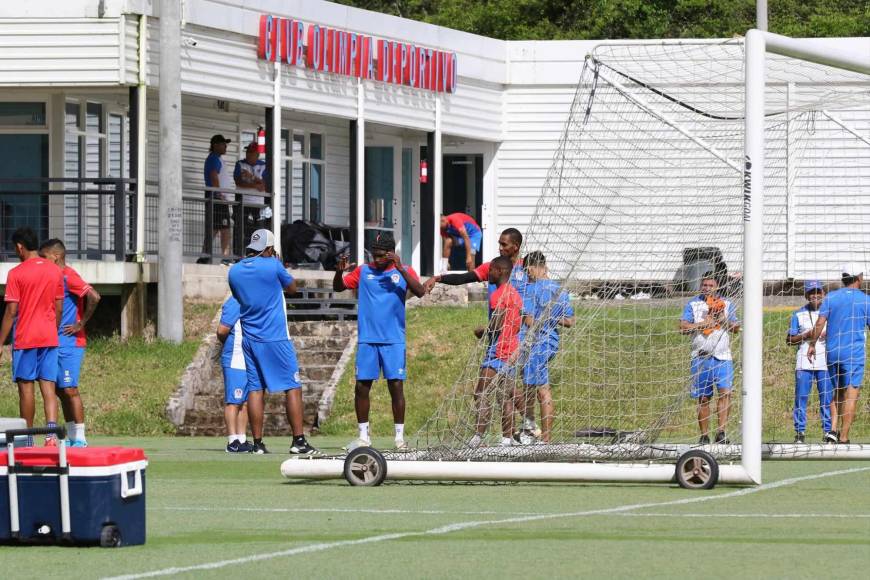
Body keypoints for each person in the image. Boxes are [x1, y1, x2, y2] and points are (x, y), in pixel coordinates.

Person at [227, 229, 317, 455]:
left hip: (250, 338)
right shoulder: (273, 264)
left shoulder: (234, 271)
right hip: (275, 337)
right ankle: (298, 441)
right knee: (293, 387)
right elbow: (293, 288)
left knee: (256, 390)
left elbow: (239, 297)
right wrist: (277, 264)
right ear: (268, 249)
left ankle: (257, 444)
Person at [334, 234, 425, 450]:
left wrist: (401, 268)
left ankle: (399, 439)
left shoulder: (403, 271)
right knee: (361, 387)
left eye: (381, 255)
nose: (377, 259)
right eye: (374, 255)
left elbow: (420, 292)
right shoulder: (363, 271)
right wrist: (339, 271)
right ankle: (364, 437)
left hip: (393, 340)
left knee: (396, 386)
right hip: (367, 339)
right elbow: (339, 287)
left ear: (392, 253)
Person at [0, 227, 64, 445]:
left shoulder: (16, 273)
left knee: (26, 388)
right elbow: (59, 307)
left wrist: (0, 342)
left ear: (20, 247)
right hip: (48, 337)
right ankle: (51, 435)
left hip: (26, 338)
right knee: (48, 386)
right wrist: (52, 330)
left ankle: (27, 439)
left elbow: (11, 311)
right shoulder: (55, 271)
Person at [38, 239, 101, 448]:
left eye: (44, 257)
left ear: (55, 257)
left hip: (70, 342)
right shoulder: (52, 277)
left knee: (70, 388)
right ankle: (71, 436)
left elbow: (94, 296)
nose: (41, 262)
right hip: (54, 341)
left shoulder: (68, 275)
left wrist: (80, 324)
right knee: (58, 389)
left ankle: (81, 437)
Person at [807, 263, 870, 444]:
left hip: (832, 352)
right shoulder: (865, 300)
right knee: (851, 395)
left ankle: (832, 430)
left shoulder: (831, 297)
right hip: (854, 354)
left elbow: (820, 323)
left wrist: (812, 344)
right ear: (859, 278)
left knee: (837, 392)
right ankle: (843, 437)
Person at [519, 251, 574, 443]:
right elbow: (570, 321)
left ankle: (540, 437)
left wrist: (538, 319)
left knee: (539, 389)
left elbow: (528, 320)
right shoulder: (560, 290)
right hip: (551, 342)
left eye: (527, 271)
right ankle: (534, 432)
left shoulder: (529, 289)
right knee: (534, 386)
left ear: (533, 267)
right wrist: (552, 317)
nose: (527, 275)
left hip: (535, 344)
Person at [469, 256, 524, 447]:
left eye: (491, 270)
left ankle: (477, 438)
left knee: (481, 393)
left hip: (498, 350)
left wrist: (481, 331)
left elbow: (497, 324)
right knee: (505, 397)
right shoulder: (515, 294)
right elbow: (518, 323)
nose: (488, 274)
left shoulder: (497, 294)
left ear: (500, 271)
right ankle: (507, 439)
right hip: (512, 349)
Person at [679, 273, 740, 444]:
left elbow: (736, 327)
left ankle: (721, 432)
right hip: (700, 358)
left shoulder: (727, 304)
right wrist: (701, 325)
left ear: (717, 287)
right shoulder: (693, 304)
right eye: (704, 285)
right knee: (704, 398)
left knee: (725, 393)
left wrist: (724, 320)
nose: (707, 288)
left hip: (722, 357)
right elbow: (682, 327)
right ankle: (704, 435)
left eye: (710, 285)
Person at [786, 280, 833, 444]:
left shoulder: (830, 312)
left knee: (826, 398)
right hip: (804, 361)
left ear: (823, 293)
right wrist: (806, 334)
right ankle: (800, 433)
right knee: (801, 397)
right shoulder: (798, 314)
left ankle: (828, 432)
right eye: (812, 292)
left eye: (818, 291)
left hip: (826, 362)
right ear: (806, 295)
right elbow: (790, 339)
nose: (815, 295)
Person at [216, 294, 252, 453]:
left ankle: (242, 438)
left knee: (246, 402)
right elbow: (222, 330)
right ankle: (232, 440)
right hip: (235, 358)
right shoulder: (235, 301)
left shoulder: (252, 299)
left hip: (249, 359)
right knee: (234, 400)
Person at [201, 134, 235, 265]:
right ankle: (225, 257)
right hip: (217, 198)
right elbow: (214, 175)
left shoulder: (216, 158)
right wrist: (219, 193)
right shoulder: (214, 159)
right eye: (223, 144)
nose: (225, 146)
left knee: (214, 228)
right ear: (215, 145)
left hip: (216, 197)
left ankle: (204, 255)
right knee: (225, 228)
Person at [233, 141, 270, 243]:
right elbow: (238, 182)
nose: (248, 154)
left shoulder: (264, 166)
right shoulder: (240, 164)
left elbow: (264, 186)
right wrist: (255, 184)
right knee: (239, 228)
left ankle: (258, 254)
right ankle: (238, 254)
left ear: (257, 154)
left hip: (259, 203)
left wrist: (251, 177)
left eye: (251, 152)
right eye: (247, 152)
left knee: (259, 228)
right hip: (242, 201)